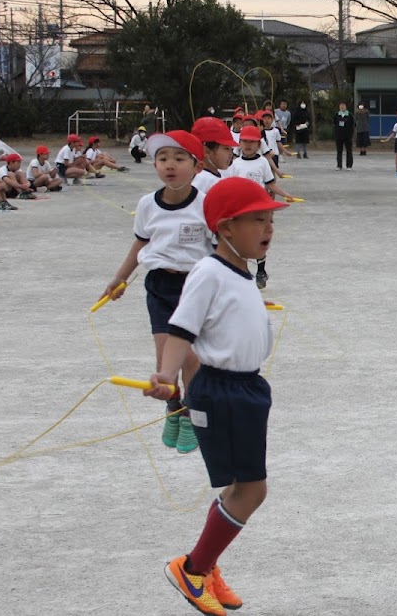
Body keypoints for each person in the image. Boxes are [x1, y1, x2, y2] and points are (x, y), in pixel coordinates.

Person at [143, 176, 286, 616]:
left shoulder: (239, 270)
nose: (268, 229)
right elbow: (181, 327)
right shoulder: (208, 272)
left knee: (241, 486)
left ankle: (205, 566)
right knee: (252, 489)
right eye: (257, 220)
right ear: (225, 228)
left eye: (270, 220)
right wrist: (168, 374)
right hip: (221, 390)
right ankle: (192, 568)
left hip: (247, 388)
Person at [100, 131, 210, 456]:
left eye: (179, 158)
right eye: (162, 159)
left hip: (196, 287)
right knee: (166, 358)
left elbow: (223, 251)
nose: (169, 165)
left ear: (197, 166)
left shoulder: (207, 204)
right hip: (160, 286)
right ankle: (173, 403)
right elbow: (140, 243)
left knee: (191, 356)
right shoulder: (148, 204)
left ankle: (189, 412)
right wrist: (119, 278)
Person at [227, 125, 297, 289]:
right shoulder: (235, 164)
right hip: (241, 210)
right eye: (244, 141)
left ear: (259, 144)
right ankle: (242, 272)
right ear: (239, 143)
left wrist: (285, 194)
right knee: (241, 241)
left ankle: (261, 271)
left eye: (252, 142)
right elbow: (229, 187)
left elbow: (270, 184)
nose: (248, 145)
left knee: (259, 240)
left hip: (258, 209)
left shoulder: (263, 163)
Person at [191, 117, 236, 194]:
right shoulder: (201, 181)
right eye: (226, 149)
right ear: (206, 151)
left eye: (231, 149)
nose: (231, 154)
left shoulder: (218, 175)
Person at [333, 102, 354, 171]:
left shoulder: (350, 115)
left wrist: (351, 133)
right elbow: (334, 124)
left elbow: (353, 125)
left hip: (347, 136)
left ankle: (349, 165)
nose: (342, 107)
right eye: (341, 106)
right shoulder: (337, 115)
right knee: (339, 151)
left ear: (346, 107)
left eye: (343, 106)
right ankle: (339, 165)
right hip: (339, 136)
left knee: (349, 151)